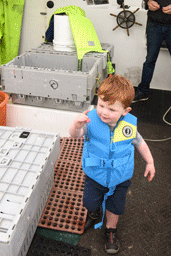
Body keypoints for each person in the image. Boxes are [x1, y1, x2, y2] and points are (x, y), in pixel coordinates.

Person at [69, 75, 155, 254]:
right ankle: (93, 212)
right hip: (95, 175)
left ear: (125, 111)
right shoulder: (91, 120)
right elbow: (74, 136)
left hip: (119, 177)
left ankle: (110, 230)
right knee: (90, 203)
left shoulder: (128, 126)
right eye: (101, 105)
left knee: (114, 208)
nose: (104, 112)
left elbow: (140, 143)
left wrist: (150, 161)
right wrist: (76, 125)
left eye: (111, 109)